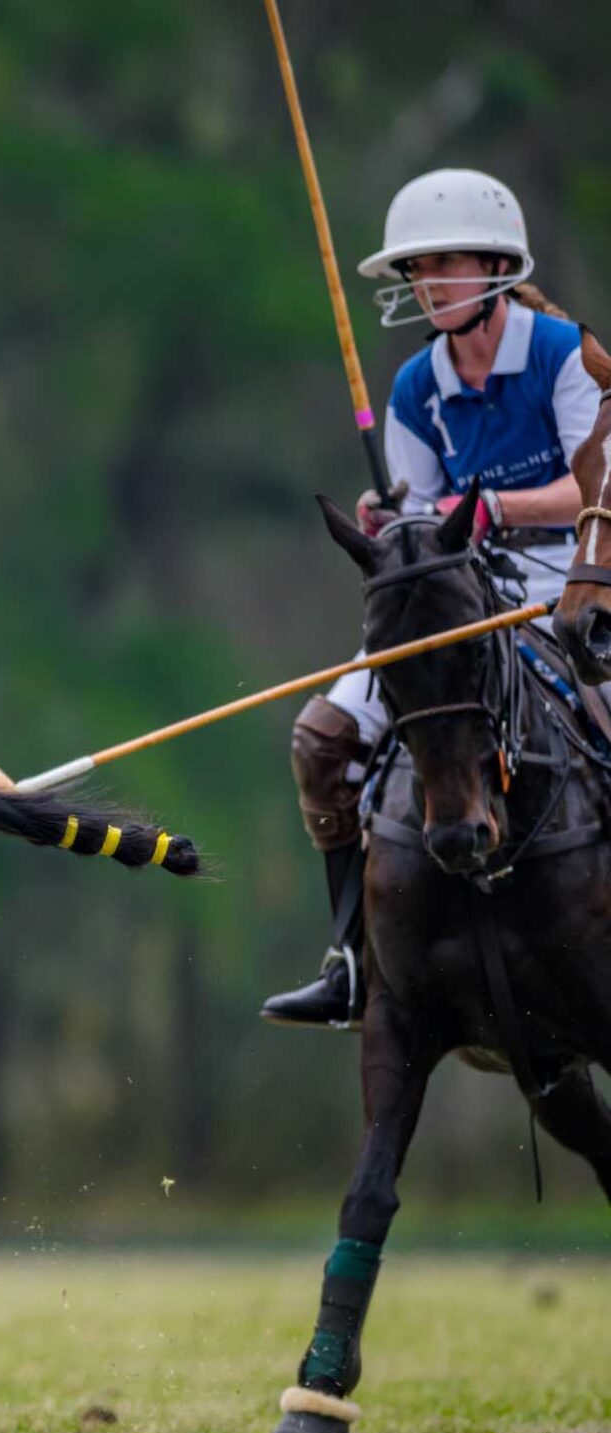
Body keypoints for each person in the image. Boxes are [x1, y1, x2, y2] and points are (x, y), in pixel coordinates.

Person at [263, 168, 595, 1028]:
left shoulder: (564, 354)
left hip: (574, 578)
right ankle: (350, 960)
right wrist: (393, 522)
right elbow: (423, 511)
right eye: (417, 268)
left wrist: (491, 508)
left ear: (497, 266)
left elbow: (595, 490)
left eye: (445, 263)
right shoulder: (415, 385)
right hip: (463, 598)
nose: (428, 282)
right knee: (320, 742)